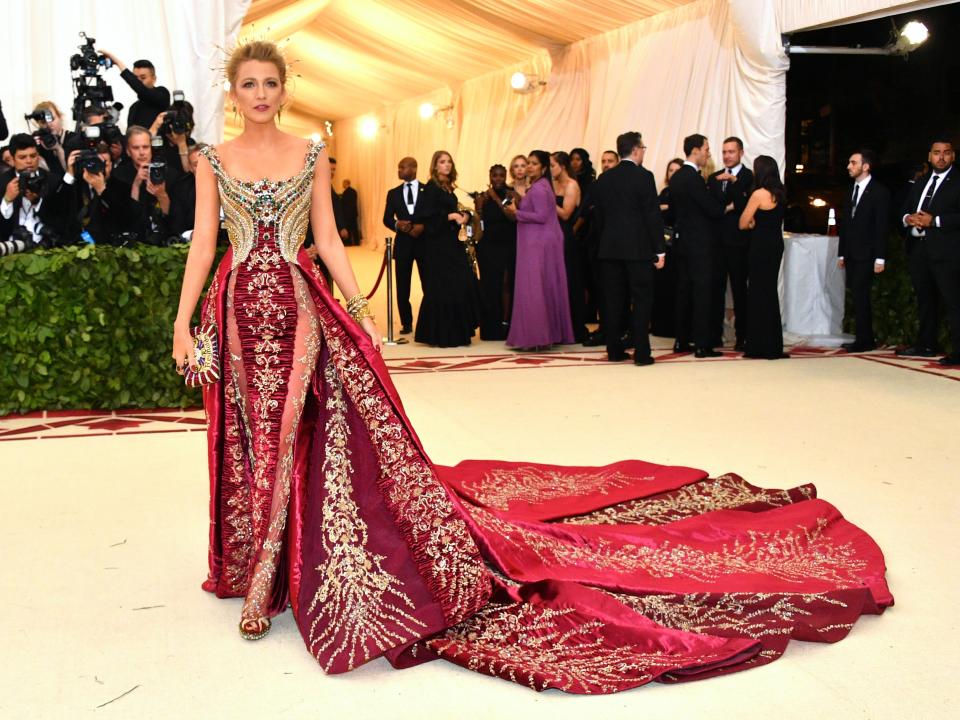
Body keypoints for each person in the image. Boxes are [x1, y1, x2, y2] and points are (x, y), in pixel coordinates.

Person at [170, 39, 893, 692]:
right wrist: (182, 324)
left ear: (282, 89)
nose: (260, 94)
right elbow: (205, 246)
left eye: (270, 83)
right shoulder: (213, 160)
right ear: (234, 93)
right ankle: (253, 566)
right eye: (249, 85)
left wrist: (360, 312)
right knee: (251, 438)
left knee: (310, 437)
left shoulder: (308, 152)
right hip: (235, 314)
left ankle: (281, 570)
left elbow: (327, 239)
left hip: (300, 312)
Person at [590, 131, 665, 365]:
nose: (643, 151)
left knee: (612, 301)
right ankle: (642, 353)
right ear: (635, 149)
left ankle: (614, 350)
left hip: (610, 249)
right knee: (642, 300)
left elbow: (599, 217)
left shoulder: (605, 179)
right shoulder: (644, 177)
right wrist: (660, 250)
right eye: (643, 148)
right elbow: (652, 216)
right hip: (638, 249)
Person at [502, 150, 574, 350]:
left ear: (543, 168)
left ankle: (536, 336)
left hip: (538, 244)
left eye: (534, 164)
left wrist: (517, 212)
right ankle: (541, 334)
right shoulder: (540, 186)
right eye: (528, 163)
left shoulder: (540, 188)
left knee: (534, 287)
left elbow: (541, 215)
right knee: (540, 286)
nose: (529, 167)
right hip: (536, 241)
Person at [899, 137, 960, 366]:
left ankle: (958, 351)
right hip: (919, 250)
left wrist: (935, 221)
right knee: (925, 300)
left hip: (947, 252)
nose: (941, 157)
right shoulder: (922, 181)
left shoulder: (957, 181)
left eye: (946, 152)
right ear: (929, 156)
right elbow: (903, 209)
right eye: (936, 152)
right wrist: (908, 218)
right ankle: (926, 345)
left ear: (952, 156)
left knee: (953, 302)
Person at [413, 150, 479, 347]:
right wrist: (449, 217)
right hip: (437, 245)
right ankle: (442, 334)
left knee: (458, 284)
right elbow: (423, 216)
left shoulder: (448, 188)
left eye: (449, 162)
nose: (447, 165)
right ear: (435, 166)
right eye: (442, 162)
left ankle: (456, 331)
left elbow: (447, 210)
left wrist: (463, 215)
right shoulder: (431, 188)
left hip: (451, 242)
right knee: (443, 287)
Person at [670, 134, 725, 358]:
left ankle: (681, 340)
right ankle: (702, 344)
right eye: (706, 149)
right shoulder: (693, 178)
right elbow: (710, 209)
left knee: (683, 292)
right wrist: (728, 205)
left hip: (682, 242)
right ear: (695, 150)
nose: (708, 153)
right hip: (699, 244)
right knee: (702, 293)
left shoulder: (676, 177)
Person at [837, 149, 889, 353]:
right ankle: (863, 337)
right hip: (852, 253)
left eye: (853, 162)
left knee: (861, 295)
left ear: (865, 166)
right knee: (857, 295)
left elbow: (881, 227)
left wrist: (880, 257)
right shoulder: (851, 190)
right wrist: (842, 253)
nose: (849, 166)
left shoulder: (879, 192)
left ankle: (865, 339)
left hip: (868, 254)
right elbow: (846, 224)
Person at [739, 155, 788, 360]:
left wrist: (752, 224)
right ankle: (773, 345)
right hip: (776, 245)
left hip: (760, 246)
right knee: (770, 292)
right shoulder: (781, 193)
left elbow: (743, 222)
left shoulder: (759, 194)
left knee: (757, 293)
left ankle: (757, 345)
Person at [707, 137, 754, 350]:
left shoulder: (748, 176)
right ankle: (715, 335)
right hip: (717, 243)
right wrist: (729, 206)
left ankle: (742, 336)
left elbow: (745, 205)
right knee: (715, 290)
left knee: (739, 290)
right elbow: (712, 207)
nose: (727, 156)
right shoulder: (714, 177)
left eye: (731, 152)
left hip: (739, 243)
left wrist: (735, 185)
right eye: (724, 152)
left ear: (741, 153)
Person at [0, 134, 74, 249]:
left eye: (33, 156)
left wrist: (37, 202)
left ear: (38, 156)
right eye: (22, 157)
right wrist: (7, 200)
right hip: (10, 248)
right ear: (13, 159)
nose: (29, 161)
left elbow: (62, 220)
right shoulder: (3, 182)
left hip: (48, 246)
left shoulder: (53, 181)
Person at [383, 156, 428, 334]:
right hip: (403, 245)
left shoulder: (428, 190)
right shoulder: (393, 193)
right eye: (399, 167)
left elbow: (433, 215)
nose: (399, 170)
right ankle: (406, 323)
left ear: (414, 168)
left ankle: (428, 320)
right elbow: (386, 219)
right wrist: (397, 225)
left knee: (428, 283)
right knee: (403, 285)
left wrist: (422, 227)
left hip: (425, 243)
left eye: (403, 167)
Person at [474, 163, 516, 340]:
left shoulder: (510, 194)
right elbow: (479, 221)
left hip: (507, 244)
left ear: (505, 176)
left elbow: (511, 216)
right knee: (489, 284)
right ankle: (489, 327)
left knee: (506, 284)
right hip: (487, 245)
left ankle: (505, 324)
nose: (498, 179)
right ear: (490, 176)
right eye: (494, 176)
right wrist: (480, 206)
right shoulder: (483, 196)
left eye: (501, 175)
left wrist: (496, 199)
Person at [552, 151, 586, 342]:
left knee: (569, 279)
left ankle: (573, 326)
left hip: (566, 235)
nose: (550, 169)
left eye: (552, 165)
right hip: (552, 235)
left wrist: (548, 198)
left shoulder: (572, 185)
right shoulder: (553, 184)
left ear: (562, 166)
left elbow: (566, 214)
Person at [651, 158, 684, 338]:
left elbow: (674, 212)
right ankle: (660, 325)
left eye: (676, 170)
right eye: (670, 170)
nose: (673, 173)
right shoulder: (664, 192)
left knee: (676, 285)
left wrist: (665, 208)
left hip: (679, 245)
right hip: (663, 245)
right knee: (661, 285)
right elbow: (654, 211)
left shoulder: (684, 193)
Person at [100, 52, 171, 131]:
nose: (138, 81)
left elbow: (143, 90)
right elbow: (130, 135)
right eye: (135, 78)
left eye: (143, 77)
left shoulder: (162, 93)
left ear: (154, 79)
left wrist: (118, 63)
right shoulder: (134, 107)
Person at [340, 178, 361, 245]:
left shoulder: (346, 193)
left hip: (347, 214)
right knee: (354, 228)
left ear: (346, 183)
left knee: (348, 229)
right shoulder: (354, 191)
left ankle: (348, 242)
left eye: (343, 183)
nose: (342, 185)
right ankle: (357, 242)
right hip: (353, 214)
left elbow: (345, 204)